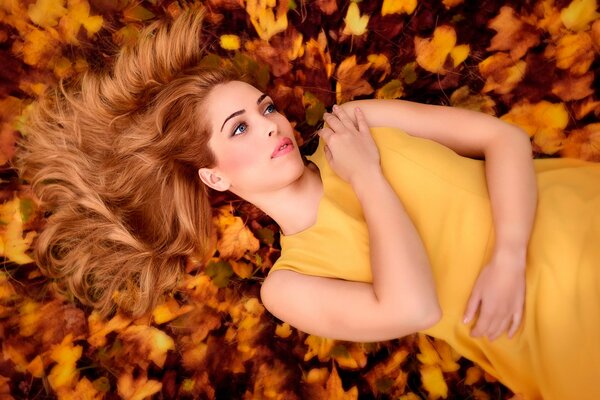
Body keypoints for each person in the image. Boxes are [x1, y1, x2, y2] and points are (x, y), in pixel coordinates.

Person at [15, 7, 600, 400]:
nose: (272, 126)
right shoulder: (288, 286)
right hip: (556, 333)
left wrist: (509, 255)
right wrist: (367, 177)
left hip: (577, 218)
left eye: (266, 108)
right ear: (214, 179)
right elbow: (415, 306)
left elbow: (504, 140)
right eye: (239, 129)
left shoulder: (358, 120)